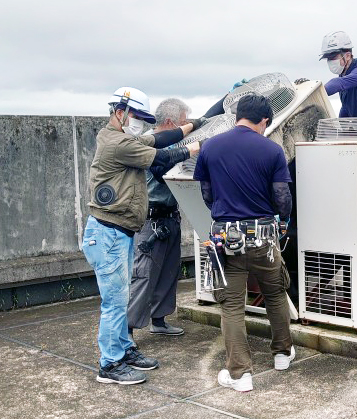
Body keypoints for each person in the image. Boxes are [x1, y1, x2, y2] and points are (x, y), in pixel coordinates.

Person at [81, 87, 206, 385]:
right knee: (114, 302)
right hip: (108, 232)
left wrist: (197, 124)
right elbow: (163, 154)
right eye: (138, 116)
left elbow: (160, 137)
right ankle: (109, 365)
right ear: (120, 112)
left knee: (120, 297)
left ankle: (123, 350)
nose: (142, 122)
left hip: (119, 231)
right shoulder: (119, 144)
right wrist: (196, 145)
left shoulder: (122, 138)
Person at [193, 94, 294, 392]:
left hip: (227, 239)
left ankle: (240, 374)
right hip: (264, 238)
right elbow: (282, 198)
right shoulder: (272, 150)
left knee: (233, 305)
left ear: (239, 115)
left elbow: (207, 194)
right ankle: (282, 354)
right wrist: (283, 222)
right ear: (264, 120)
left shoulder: (210, 147)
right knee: (275, 293)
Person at [127, 98, 194, 344]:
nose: (187, 128)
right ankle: (128, 330)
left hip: (170, 217)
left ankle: (159, 320)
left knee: (168, 272)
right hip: (151, 220)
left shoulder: (174, 143)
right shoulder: (147, 144)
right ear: (170, 122)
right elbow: (160, 167)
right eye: (184, 123)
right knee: (144, 275)